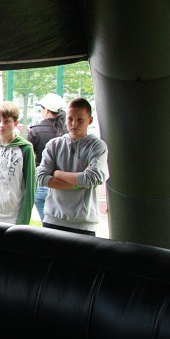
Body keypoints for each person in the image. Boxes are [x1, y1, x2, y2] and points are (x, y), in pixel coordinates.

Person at [36, 98, 109, 236]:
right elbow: (41, 178)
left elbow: (93, 178)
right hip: (53, 219)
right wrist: (77, 183)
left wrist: (57, 173)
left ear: (90, 120)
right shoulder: (54, 145)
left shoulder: (97, 146)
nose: (74, 124)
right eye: (70, 119)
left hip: (83, 224)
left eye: (80, 120)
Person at [0, 102, 36, 225]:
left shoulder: (25, 149)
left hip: (11, 217)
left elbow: (30, 186)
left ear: (15, 123)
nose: (1, 125)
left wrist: (23, 220)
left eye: (6, 121)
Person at [27, 93, 66, 221]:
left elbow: (30, 161)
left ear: (47, 110)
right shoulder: (68, 132)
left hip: (43, 183)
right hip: (65, 184)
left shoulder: (35, 131)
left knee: (48, 227)